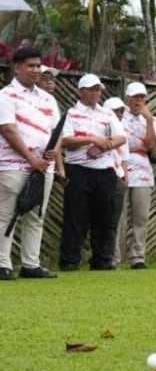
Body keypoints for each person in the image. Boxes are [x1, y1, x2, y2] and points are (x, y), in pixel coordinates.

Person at [0, 47, 61, 280]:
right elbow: (8, 129)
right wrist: (31, 158)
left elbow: (58, 131)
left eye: (38, 65)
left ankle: (30, 264)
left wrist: (53, 153)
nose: (36, 70)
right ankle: (2, 264)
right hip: (12, 165)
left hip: (44, 167)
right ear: (17, 67)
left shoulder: (48, 98)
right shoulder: (5, 95)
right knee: (6, 215)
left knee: (37, 215)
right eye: (31, 65)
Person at [58, 74, 127, 271]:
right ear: (82, 91)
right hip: (78, 170)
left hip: (104, 171)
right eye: (92, 89)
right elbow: (65, 141)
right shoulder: (71, 113)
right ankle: (70, 261)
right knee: (75, 218)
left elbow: (121, 137)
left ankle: (102, 260)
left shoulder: (107, 114)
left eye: (98, 89)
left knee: (104, 218)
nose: (97, 93)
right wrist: (92, 139)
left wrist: (104, 146)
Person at [115, 83, 156, 270]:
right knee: (119, 217)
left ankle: (137, 257)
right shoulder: (117, 116)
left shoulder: (152, 120)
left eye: (142, 97)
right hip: (121, 168)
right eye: (135, 97)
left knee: (140, 217)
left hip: (143, 171)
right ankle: (115, 257)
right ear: (128, 98)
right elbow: (118, 143)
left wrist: (148, 120)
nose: (138, 101)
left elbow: (151, 146)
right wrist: (135, 147)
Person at [103, 97, 130, 268]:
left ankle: (114, 259)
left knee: (116, 221)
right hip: (103, 175)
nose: (119, 114)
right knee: (103, 220)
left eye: (121, 111)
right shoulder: (102, 130)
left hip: (118, 177)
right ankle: (105, 257)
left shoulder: (121, 132)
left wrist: (125, 176)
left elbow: (125, 158)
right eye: (116, 111)